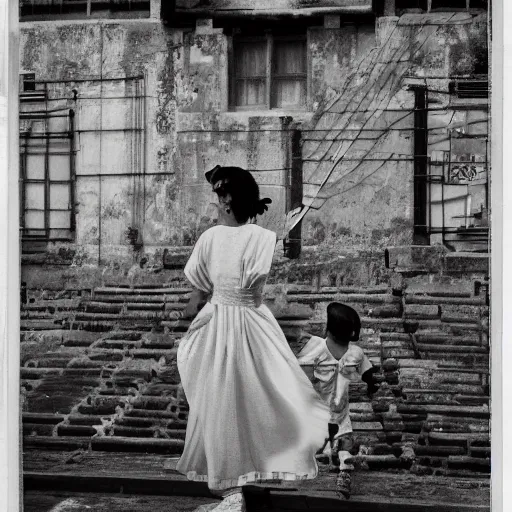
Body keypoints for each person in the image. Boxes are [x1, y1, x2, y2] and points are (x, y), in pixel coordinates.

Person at [172, 166, 330, 512]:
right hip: (255, 324)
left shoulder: (210, 239)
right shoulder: (262, 238)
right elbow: (278, 250)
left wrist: (186, 318)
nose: (215, 203)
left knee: (223, 401)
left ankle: (232, 485)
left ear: (227, 200)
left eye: (217, 196)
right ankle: (242, 480)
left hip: (220, 325)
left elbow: (198, 295)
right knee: (258, 395)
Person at [297, 302, 380, 500]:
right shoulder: (353, 352)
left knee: (341, 439)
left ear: (329, 329)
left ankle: (340, 468)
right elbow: (369, 374)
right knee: (337, 440)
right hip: (327, 409)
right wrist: (372, 386)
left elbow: (304, 376)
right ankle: (336, 465)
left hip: (327, 409)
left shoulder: (341, 352)